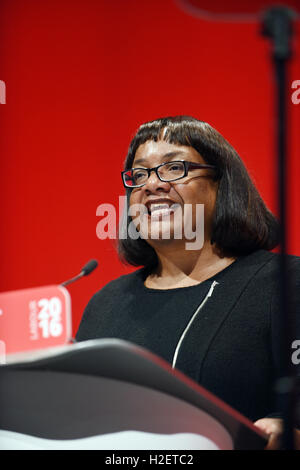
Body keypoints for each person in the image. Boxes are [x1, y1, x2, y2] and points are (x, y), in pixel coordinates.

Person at [76, 116, 300, 449]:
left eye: (174, 168)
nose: (152, 185)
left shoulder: (283, 284)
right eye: (139, 175)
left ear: (222, 184)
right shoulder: (105, 304)